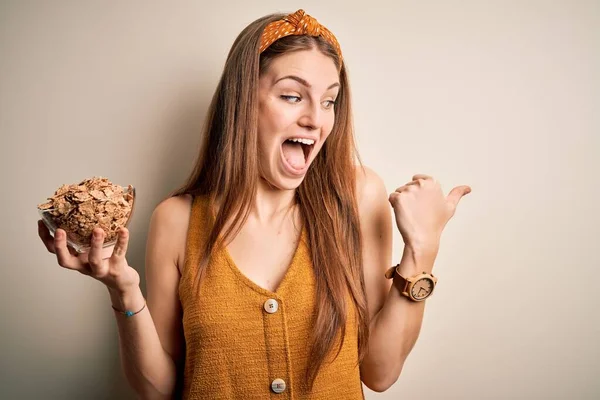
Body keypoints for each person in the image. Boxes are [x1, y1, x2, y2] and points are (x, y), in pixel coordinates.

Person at [38, 9, 471, 399]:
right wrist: (123, 290)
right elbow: (161, 387)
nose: (316, 120)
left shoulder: (357, 197)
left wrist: (422, 249)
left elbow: (380, 371)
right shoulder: (177, 220)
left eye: (329, 100)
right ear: (243, 101)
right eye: (291, 95)